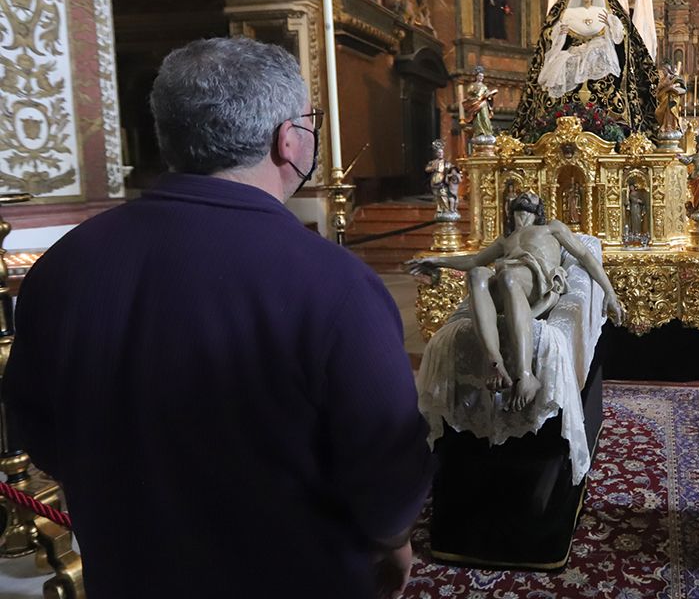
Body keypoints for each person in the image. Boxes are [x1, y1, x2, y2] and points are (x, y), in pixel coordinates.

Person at [4, 38, 433, 599]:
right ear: (290, 139)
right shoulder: (335, 283)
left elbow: (39, 434)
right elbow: (387, 470)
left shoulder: (62, 265)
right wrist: (393, 537)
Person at [408, 192, 623, 412]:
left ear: (540, 207)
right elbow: (473, 260)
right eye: (522, 194)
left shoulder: (551, 228)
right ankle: (495, 363)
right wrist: (437, 261)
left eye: (532, 195)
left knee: (508, 276)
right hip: (507, 281)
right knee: (477, 274)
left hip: (535, 283)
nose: (526, 194)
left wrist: (610, 292)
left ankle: (525, 376)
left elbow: (586, 256)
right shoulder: (505, 238)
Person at [510, 0, 659, 141]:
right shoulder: (568, 14)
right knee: (558, 80)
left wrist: (610, 25)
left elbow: (620, 39)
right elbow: (553, 39)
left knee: (607, 82)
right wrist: (561, 34)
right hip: (576, 54)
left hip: (600, 55)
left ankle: (609, 130)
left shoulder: (605, 13)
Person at [461, 66, 498, 139]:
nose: (481, 77)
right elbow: (469, 96)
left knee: (485, 117)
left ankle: (487, 132)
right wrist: (476, 99)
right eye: (480, 76)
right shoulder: (472, 85)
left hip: (483, 104)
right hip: (475, 104)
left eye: (482, 76)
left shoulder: (484, 87)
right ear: (476, 76)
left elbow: (488, 96)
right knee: (478, 118)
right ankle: (479, 132)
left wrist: (489, 96)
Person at [426, 138, 461, 214]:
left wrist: (454, 172)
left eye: (441, 153)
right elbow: (427, 169)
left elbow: (452, 168)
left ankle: (447, 209)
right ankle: (439, 208)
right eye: (439, 153)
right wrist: (432, 168)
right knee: (436, 195)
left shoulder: (446, 163)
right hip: (435, 179)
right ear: (436, 154)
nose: (440, 154)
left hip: (443, 179)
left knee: (443, 194)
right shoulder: (433, 162)